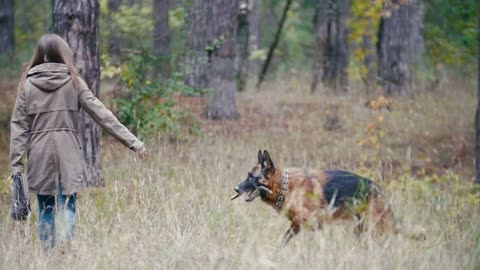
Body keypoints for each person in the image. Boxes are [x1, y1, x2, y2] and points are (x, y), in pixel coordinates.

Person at [9, 34, 147, 249]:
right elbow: (102, 114)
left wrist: (16, 165)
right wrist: (133, 142)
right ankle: (64, 249)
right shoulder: (73, 82)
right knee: (67, 204)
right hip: (68, 152)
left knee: (45, 208)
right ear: (64, 53)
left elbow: (18, 129)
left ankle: (48, 256)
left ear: (38, 54)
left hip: (39, 152)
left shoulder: (26, 86)